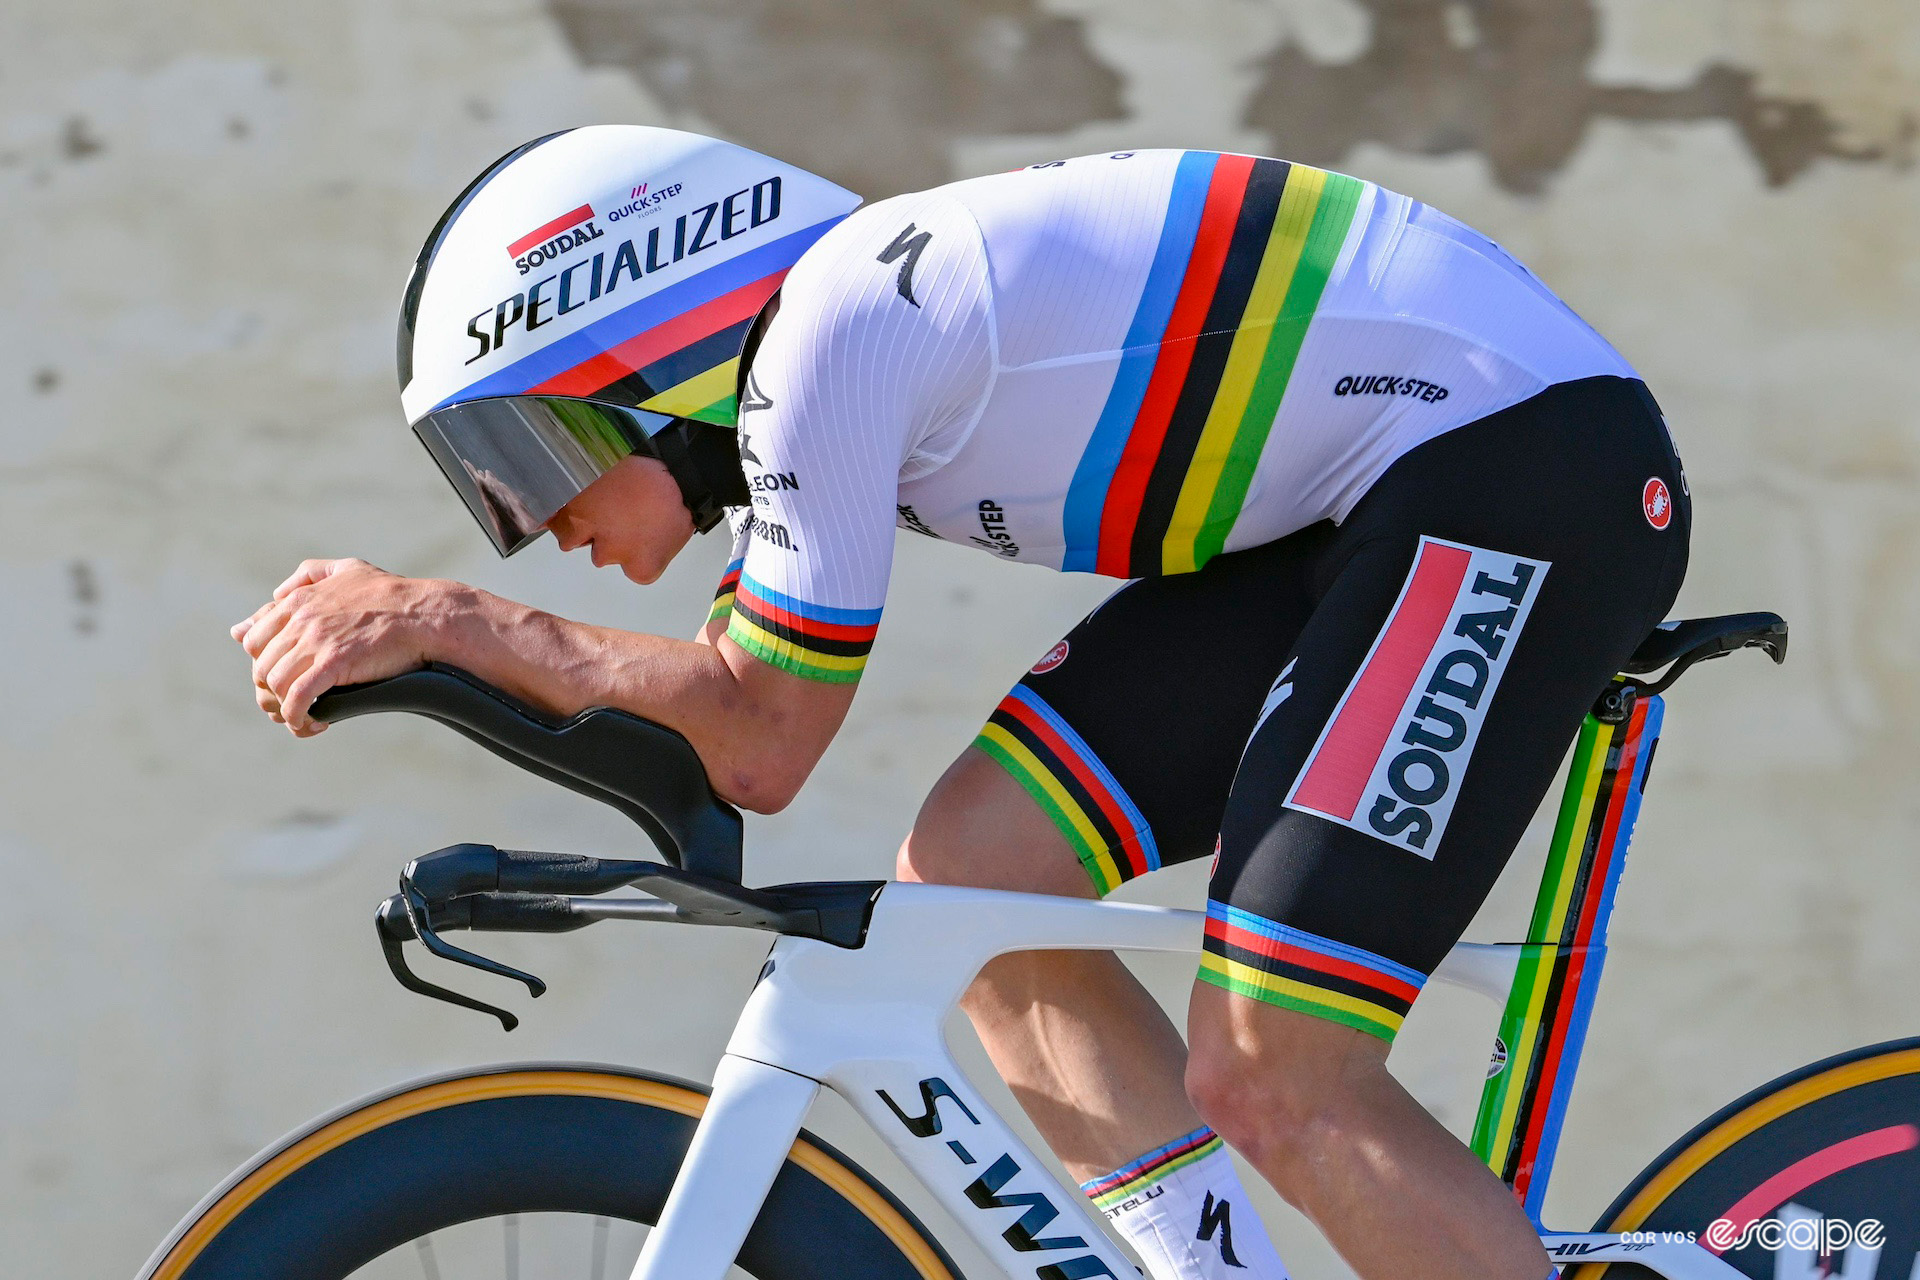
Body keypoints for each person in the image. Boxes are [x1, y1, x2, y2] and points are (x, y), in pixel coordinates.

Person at [232, 126, 1689, 1280]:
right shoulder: (808, 395)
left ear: (643, 345)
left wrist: (447, 617)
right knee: (973, 900)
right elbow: (718, 761)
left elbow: (760, 731)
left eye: (527, 449)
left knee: (1275, 1070)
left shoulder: (841, 330)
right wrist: (450, 681)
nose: (533, 521)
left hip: (1517, 474)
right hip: (1366, 507)